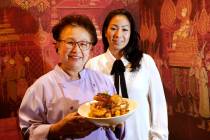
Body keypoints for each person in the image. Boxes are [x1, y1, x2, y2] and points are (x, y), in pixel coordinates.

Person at [19, 14, 120, 140]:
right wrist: (57, 129)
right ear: (57, 46)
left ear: (91, 49)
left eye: (83, 44)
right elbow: (26, 131)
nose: (76, 50)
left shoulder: (103, 81)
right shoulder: (40, 87)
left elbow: (114, 123)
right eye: (70, 42)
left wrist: (116, 122)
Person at [86, 9, 168, 140]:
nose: (118, 34)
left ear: (131, 34)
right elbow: (89, 107)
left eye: (124, 29)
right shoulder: (92, 65)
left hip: (140, 135)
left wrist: (159, 137)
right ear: (106, 31)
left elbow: (158, 105)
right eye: (113, 28)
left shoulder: (145, 62)